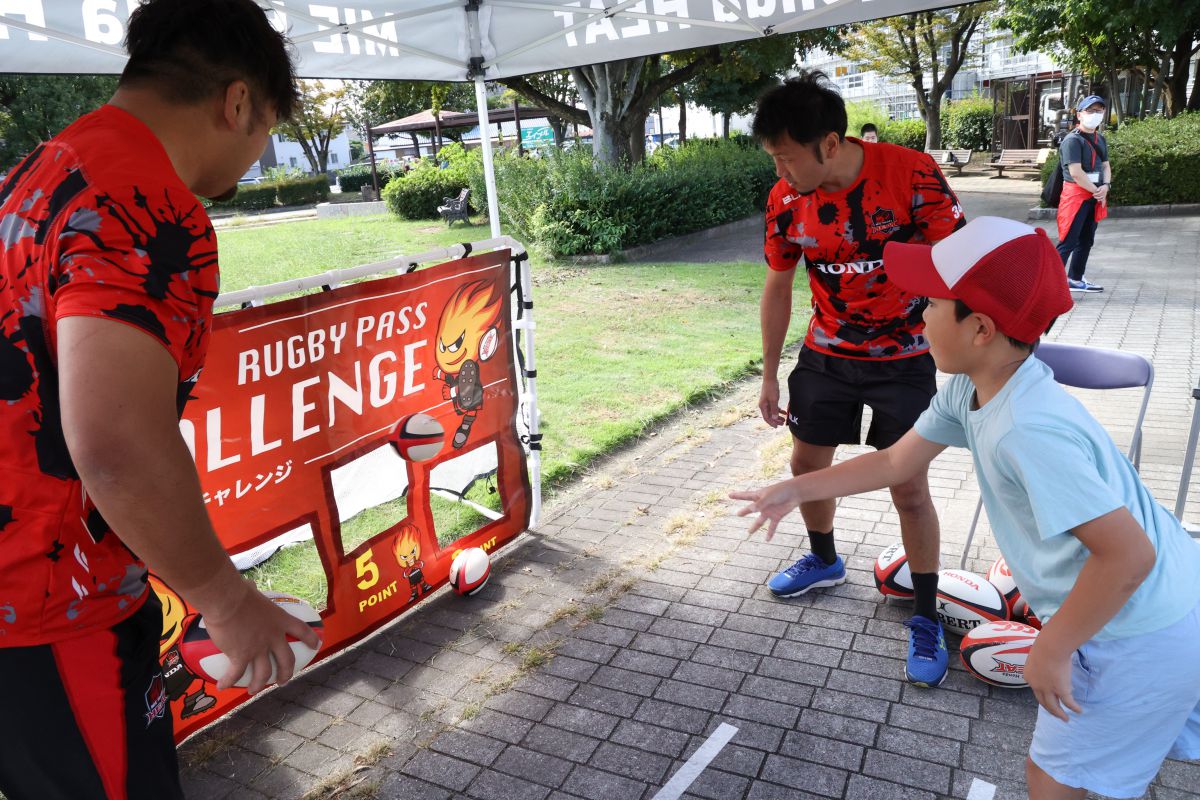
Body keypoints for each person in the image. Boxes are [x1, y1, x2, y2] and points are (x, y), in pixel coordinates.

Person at [733, 216, 1200, 800]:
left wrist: (1051, 649)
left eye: (929, 302)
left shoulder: (1027, 429)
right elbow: (894, 463)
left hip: (1136, 631)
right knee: (1089, 772)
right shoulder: (975, 385)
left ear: (979, 328)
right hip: (1152, 604)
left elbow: (1128, 555)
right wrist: (794, 488)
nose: (916, 313)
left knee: (1056, 784)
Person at [0, 1, 321, 797]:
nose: (255, 155)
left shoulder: (38, 172)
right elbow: (116, 442)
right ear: (239, 101)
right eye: (266, 128)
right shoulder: (147, 204)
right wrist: (223, 598)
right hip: (52, 609)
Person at [753, 71, 966, 688]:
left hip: (906, 354)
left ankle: (925, 616)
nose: (782, 172)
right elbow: (777, 284)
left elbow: (957, 267)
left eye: (788, 158)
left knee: (909, 487)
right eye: (774, 159)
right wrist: (770, 373)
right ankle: (824, 560)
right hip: (827, 353)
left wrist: (965, 361)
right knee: (806, 466)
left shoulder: (912, 174)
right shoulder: (785, 201)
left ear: (829, 143)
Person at [1056, 95, 1111, 293]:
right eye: (1090, 111)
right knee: (1067, 241)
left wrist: (1106, 185)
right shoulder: (1072, 140)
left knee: (1086, 240)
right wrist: (1097, 190)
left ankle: (1075, 279)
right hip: (1076, 196)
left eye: (1099, 111)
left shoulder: (1100, 139)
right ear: (1079, 114)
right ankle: (1049, 282)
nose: (1095, 115)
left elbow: (1105, 165)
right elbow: (1076, 173)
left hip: (1095, 195)